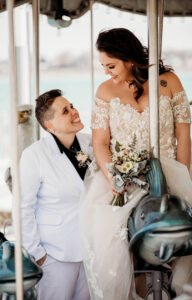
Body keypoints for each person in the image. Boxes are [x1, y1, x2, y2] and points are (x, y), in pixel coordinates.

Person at [80, 28, 192, 300]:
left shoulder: (169, 81)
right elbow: (100, 143)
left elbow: (183, 134)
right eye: (103, 66)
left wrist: (184, 176)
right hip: (122, 177)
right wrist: (113, 177)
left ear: (128, 58)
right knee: (108, 239)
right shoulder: (105, 91)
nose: (107, 71)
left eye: (111, 65)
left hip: (171, 170)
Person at [19, 89, 92, 300]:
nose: (74, 112)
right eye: (65, 111)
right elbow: (23, 207)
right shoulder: (34, 155)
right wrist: (39, 254)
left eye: (72, 106)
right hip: (55, 253)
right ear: (49, 125)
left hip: (91, 249)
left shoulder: (92, 143)